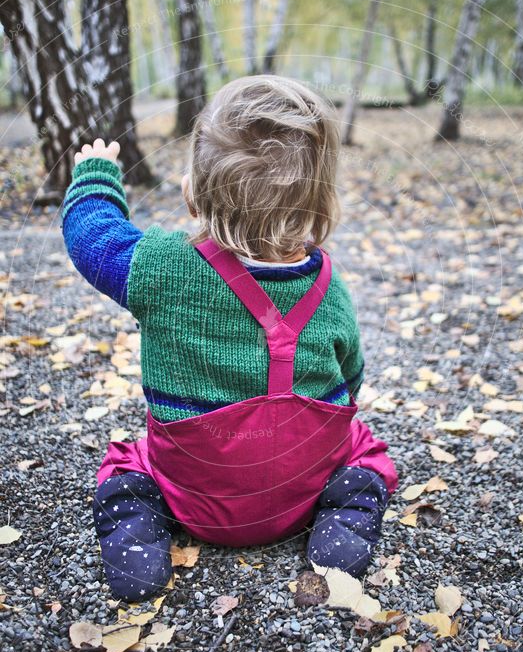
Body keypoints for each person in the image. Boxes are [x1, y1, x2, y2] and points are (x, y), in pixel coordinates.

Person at [62, 75, 398, 602]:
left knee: (131, 465)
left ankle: (137, 528)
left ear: (192, 195)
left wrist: (96, 176)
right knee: (364, 452)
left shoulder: (161, 268)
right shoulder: (329, 290)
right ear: (318, 204)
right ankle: (345, 515)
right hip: (297, 498)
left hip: (191, 494)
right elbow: (351, 380)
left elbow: (92, 239)